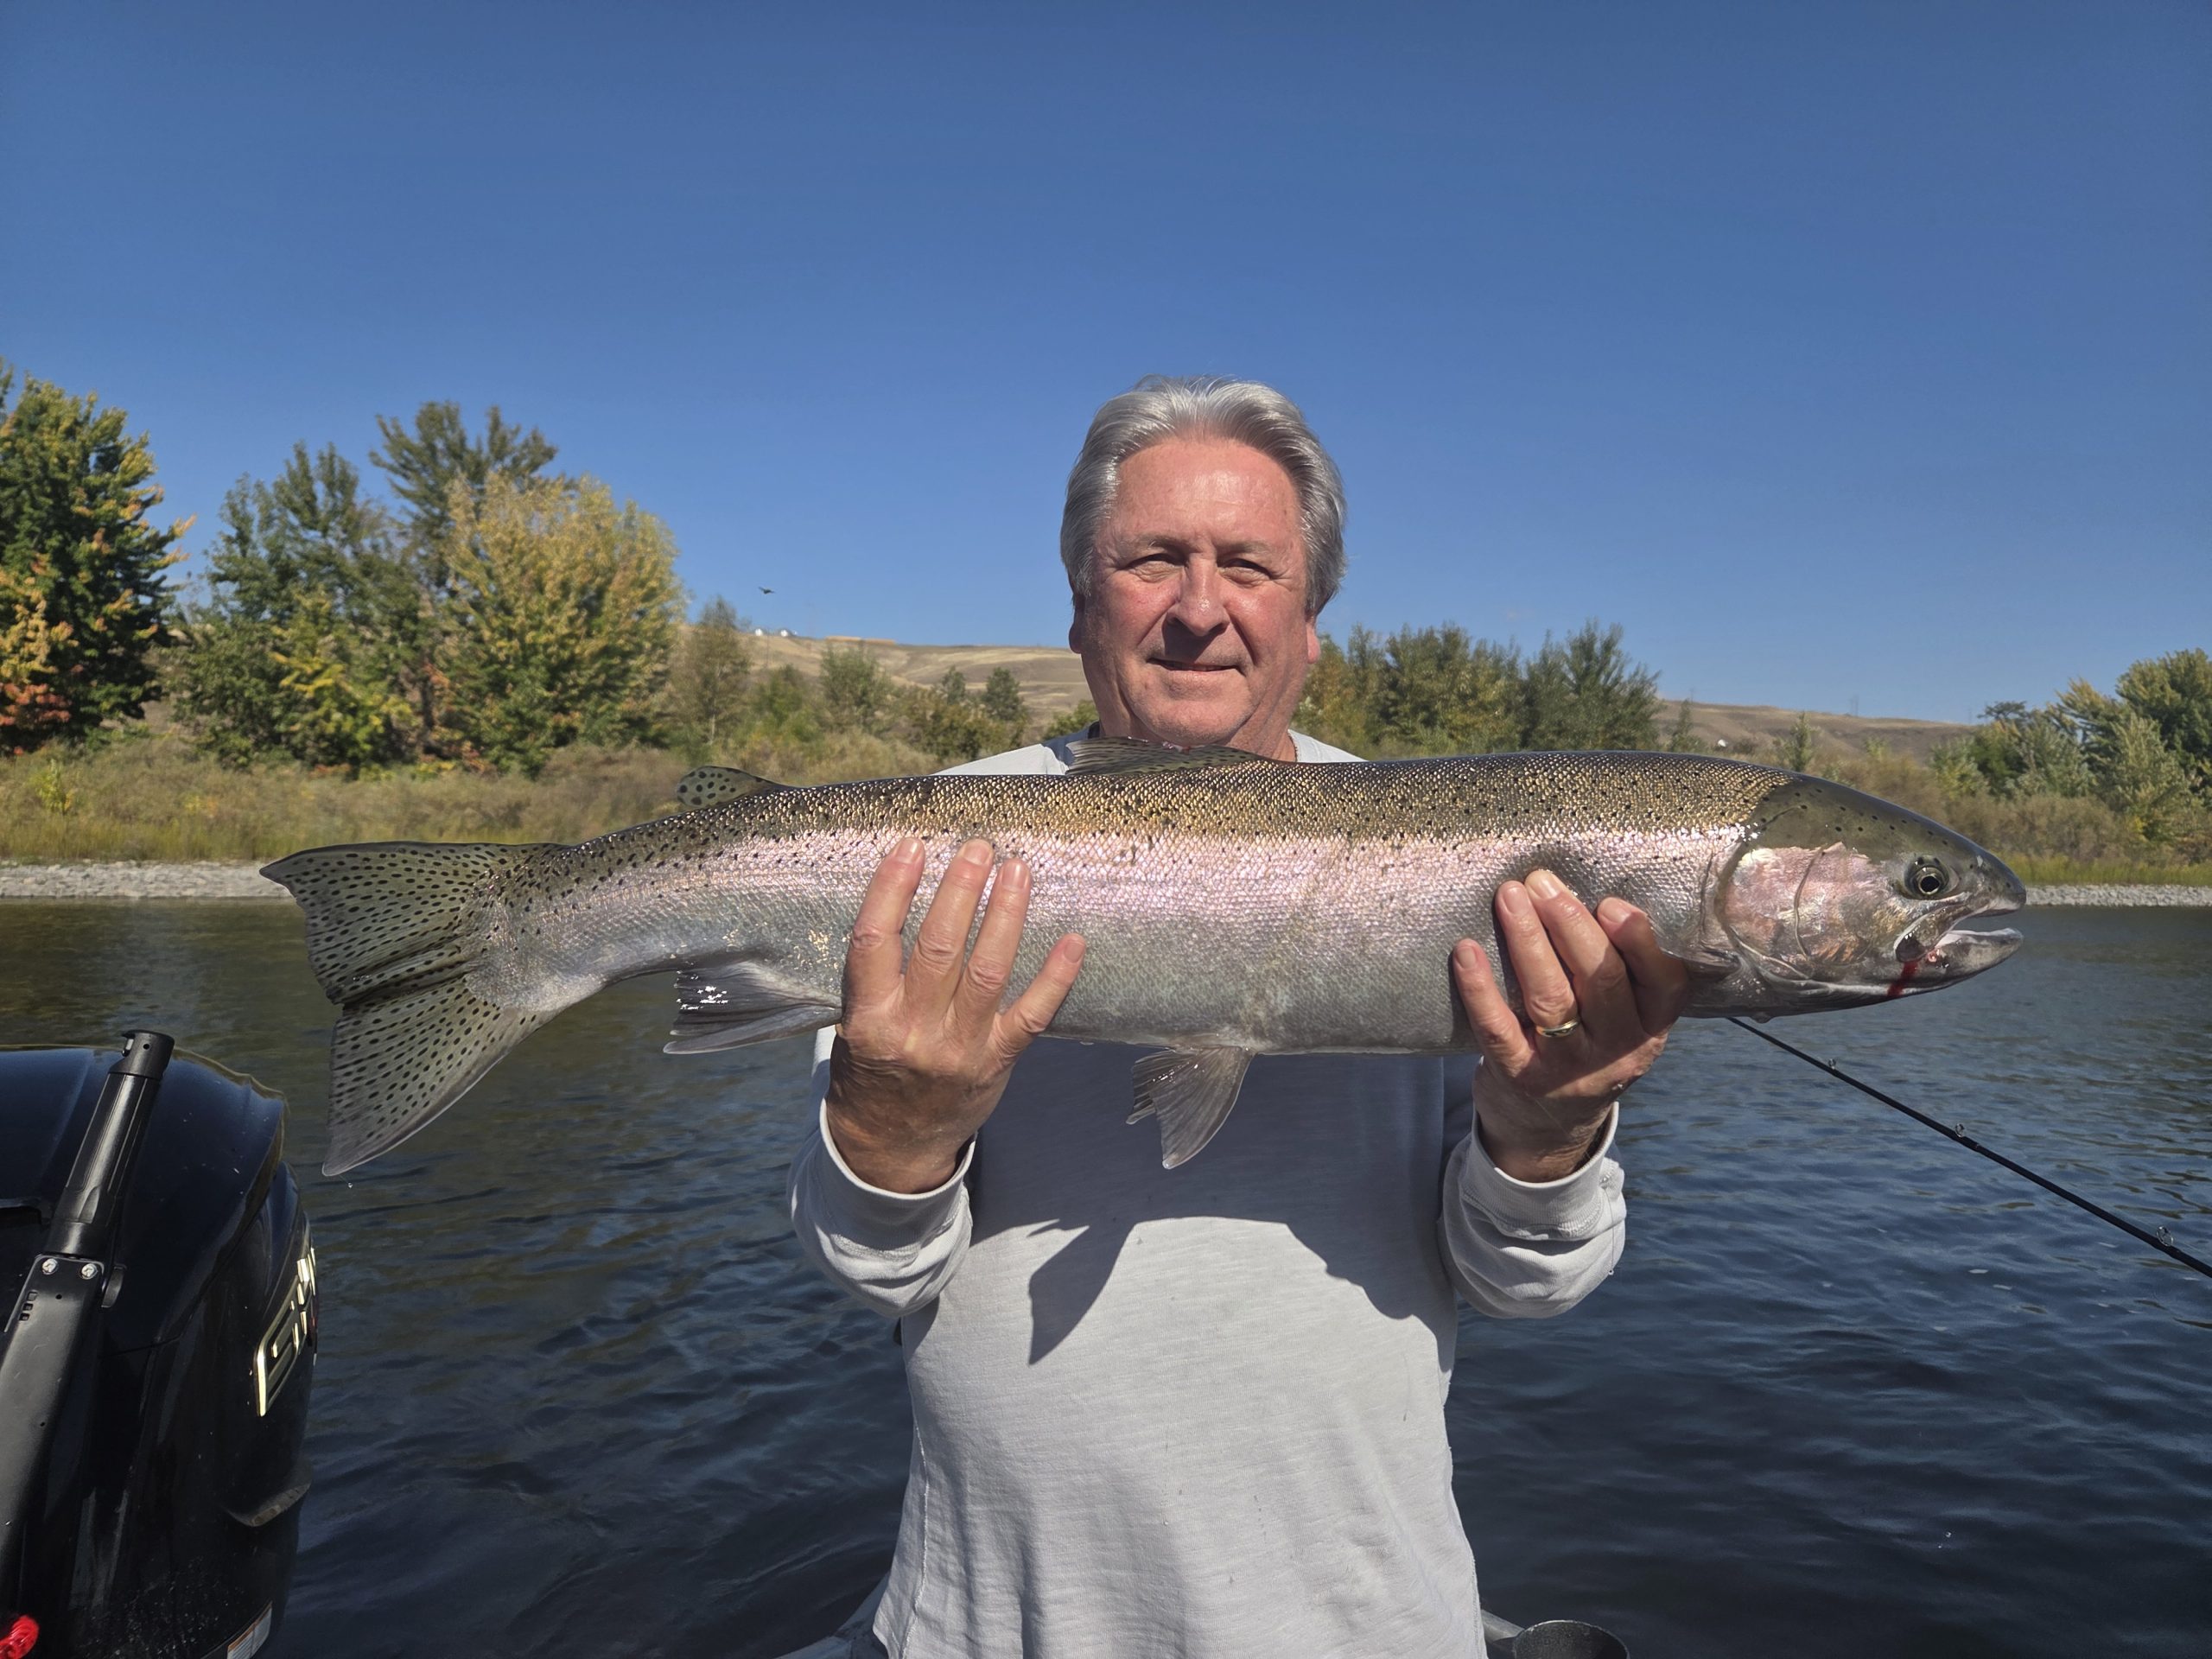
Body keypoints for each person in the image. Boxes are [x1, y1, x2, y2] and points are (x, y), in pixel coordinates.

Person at [788, 377, 1688, 1657]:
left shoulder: (1454, 863)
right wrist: (894, 1132)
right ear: (1081, 604)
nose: (1200, 609)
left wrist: (1548, 1133)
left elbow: (1526, 1288)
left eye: (1250, 568)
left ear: (1310, 624)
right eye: (1152, 560)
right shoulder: (926, 852)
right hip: (997, 1623)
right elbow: (865, 1268)